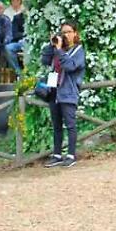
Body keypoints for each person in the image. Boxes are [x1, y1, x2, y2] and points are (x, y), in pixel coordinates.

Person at [40, 21, 86, 168]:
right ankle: (57, 154)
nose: (65, 35)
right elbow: (45, 60)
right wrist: (51, 45)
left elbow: (70, 66)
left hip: (68, 91)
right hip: (54, 90)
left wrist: (59, 51)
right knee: (56, 125)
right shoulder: (57, 49)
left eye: (68, 32)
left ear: (75, 33)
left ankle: (71, 155)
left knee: (70, 124)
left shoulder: (78, 50)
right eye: (63, 32)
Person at [3, 0, 27, 74]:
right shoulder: (12, 15)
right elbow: (15, 33)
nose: (15, 1)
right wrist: (24, 36)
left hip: (30, 41)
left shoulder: (27, 12)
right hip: (18, 40)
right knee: (8, 48)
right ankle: (18, 72)